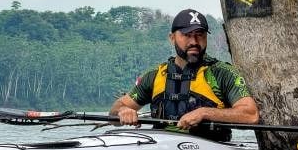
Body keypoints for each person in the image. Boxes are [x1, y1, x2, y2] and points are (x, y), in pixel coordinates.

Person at [110, 8, 259, 141]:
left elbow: (251, 115)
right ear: (172, 37)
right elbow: (115, 112)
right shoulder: (154, 76)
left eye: (200, 35)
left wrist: (204, 112)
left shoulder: (223, 73)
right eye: (187, 35)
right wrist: (123, 111)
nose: (194, 41)